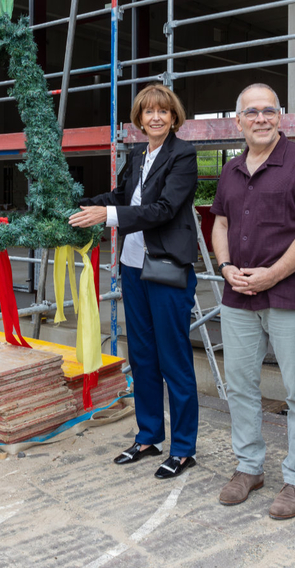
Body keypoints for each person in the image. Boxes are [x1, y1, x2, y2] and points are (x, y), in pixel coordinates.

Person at [210, 83, 295, 518]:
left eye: (268, 111)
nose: (260, 118)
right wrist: (225, 268)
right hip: (237, 294)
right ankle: (249, 467)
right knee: (240, 386)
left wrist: (272, 275)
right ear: (238, 121)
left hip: (288, 295)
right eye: (251, 112)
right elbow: (219, 224)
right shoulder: (231, 169)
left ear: (280, 117)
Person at [69, 84, 199, 480]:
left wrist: (106, 217)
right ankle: (148, 436)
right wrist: (86, 205)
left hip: (166, 267)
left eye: (162, 111)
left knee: (173, 358)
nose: (155, 118)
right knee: (142, 356)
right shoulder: (138, 155)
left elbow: (162, 209)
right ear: (139, 120)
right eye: (148, 112)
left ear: (173, 116)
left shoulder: (183, 156)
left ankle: (183, 448)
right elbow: (119, 195)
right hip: (133, 266)